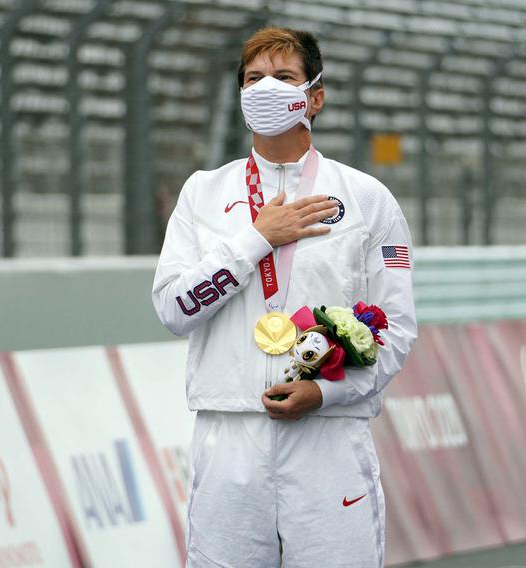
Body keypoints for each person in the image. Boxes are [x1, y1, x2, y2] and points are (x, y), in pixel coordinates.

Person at [152, 27, 417, 567]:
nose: (266, 88)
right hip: (229, 436)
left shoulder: (366, 198)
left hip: (328, 439)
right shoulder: (203, 192)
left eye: (284, 77)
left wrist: (327, 394)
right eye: (254, 79)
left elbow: (397, 330)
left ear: (314, 96)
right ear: (241, 95)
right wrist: (254, 240)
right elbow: (172, 309)